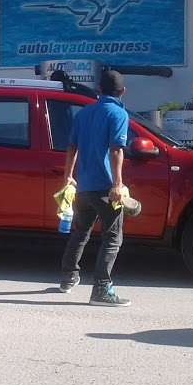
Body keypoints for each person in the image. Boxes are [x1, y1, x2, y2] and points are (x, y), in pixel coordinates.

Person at [58, 69, 131, 306]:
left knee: (80, 233)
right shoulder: (118, 114)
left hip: (83, 188)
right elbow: (117, 149)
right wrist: (118, 185)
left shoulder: (85, 113)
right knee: (112, 238)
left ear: (99, 90)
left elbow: (71, 147)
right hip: (105, 188)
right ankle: (101, 290)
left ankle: (68, 278)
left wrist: (68, 176)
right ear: (122, 92)